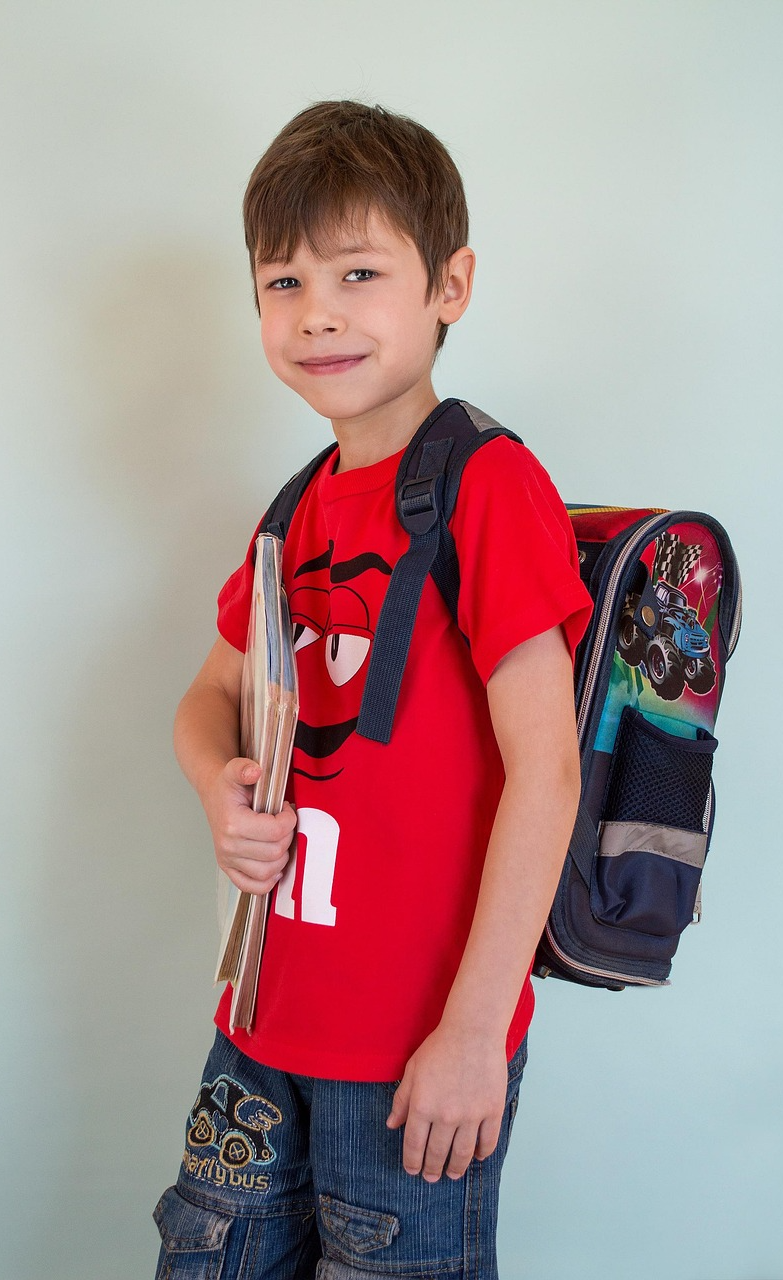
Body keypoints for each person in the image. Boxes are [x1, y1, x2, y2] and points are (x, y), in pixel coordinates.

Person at [153, 100, 593, 1279]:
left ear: (448, 282)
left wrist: (472, 1031)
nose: (318, 314)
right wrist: (219, 785)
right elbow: (206, 699)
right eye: (283, 282)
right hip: (257, 1024)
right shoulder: (292, 509)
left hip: (412, 1048)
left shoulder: (487, 484)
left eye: (358, 271)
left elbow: (545, 767)